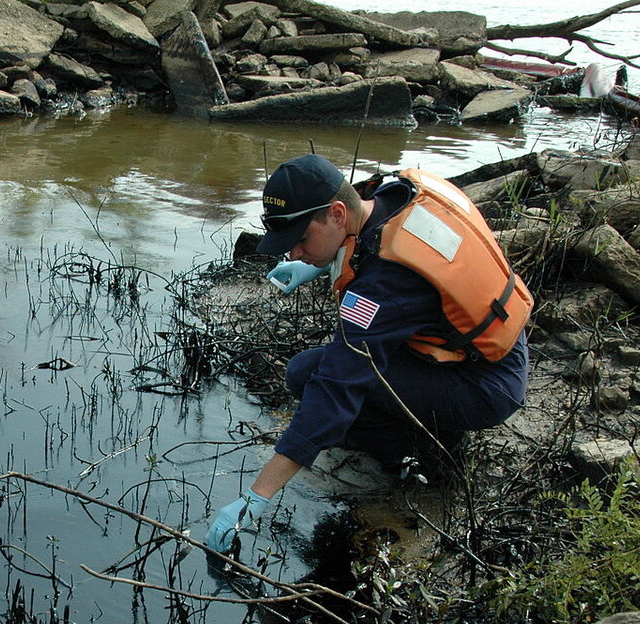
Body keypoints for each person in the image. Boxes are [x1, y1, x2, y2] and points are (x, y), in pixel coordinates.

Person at [205, 154, 531, 553]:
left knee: (316, 380)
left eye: (301, 241)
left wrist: (255, 497)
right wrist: (321, 265)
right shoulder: (394, 192)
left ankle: (418, 458)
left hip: (485, 385)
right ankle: (426, 427)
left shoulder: (383, 288)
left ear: (337, 214)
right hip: (489, 348)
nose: (293, 254)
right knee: (305, 369)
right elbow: (388, 256)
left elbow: (335, 389)